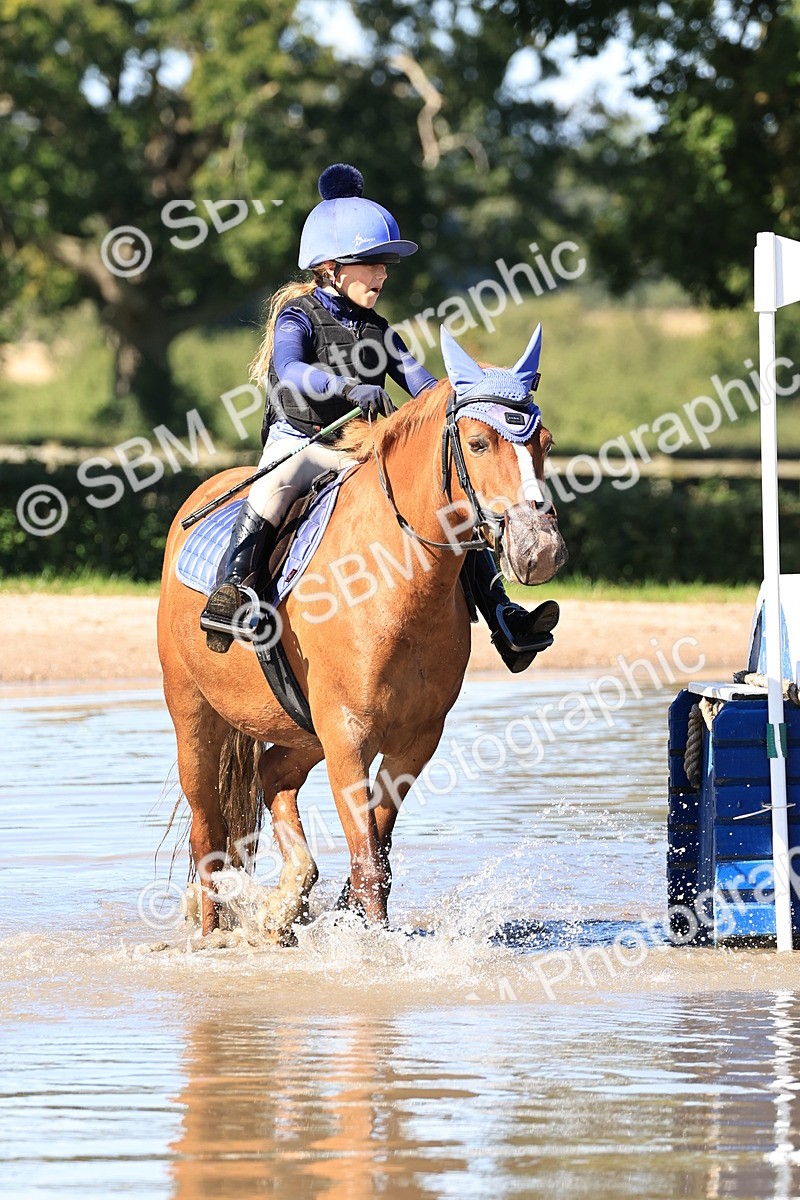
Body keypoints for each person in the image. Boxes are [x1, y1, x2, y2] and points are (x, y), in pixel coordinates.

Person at [200, 162, 559, 670]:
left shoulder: (380, 329)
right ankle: (233, 590)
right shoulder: (298, 316)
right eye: (371, 264)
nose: (383, 274)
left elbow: (423, 385)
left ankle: (504, 618)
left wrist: (475, 399)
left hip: (361, 451)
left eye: (384, 265)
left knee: (452, 510)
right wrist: (348, 387)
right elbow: (290, 369)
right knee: (272, 486)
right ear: (332, 268)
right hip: (303, 442)